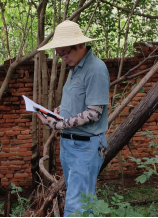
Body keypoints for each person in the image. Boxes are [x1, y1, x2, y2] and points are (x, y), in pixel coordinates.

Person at [36, 20, 109, 217]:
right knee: (83, 199)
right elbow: (73, 104)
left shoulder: (95, 69)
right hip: (71, 145)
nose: (63, 58)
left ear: (80, 45)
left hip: (85, 146)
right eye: (59, 54)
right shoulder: (74, 68)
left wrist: (59, 123)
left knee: (76, 205)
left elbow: (94, 112)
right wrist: (53, 112)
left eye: (65, 53)